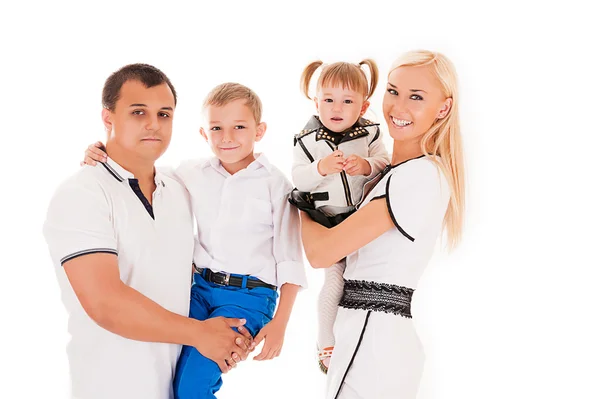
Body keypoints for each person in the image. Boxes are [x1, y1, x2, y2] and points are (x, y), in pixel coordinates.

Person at [81, 82, 308, 399]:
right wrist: (103, 154)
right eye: (216, 128)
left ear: (260, 130)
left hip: (248, 298)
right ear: (204, 134)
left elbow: (290, 258)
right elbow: (142, 173)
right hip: (198, 291)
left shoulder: (275, 184)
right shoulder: (192, 173)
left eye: (239, 127)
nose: (226, 137)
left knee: (193, 385)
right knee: (162, 368)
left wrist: (281, 324)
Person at [43, 64, 253, 399]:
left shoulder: (181, 187)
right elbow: (105, 302)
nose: (154, 124)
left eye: (164, 114)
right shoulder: (82, 193)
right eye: (138, 112)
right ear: (108, 118)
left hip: (174, 386)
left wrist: (229, 336)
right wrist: (201, 334)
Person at [297, 50, 465, 399]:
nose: (398, 106)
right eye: (393, 91)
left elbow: (321, 252)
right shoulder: (392, 174)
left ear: (443, 109)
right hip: (369, 335)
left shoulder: (418, 175)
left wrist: (301, 198)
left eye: (416, 97)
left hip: (374, 339)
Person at [290, 59, 390, 373]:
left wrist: (366, 165)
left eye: (348, 101)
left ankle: (364, 340)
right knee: (333, 280)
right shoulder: (307, 141)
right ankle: (325, 341)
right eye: (329, 100)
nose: (337, 107)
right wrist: (320, 169)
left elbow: (384, 161)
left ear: (363, 106)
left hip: (361, 216)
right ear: (316, 102)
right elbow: (299, 179)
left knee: (361, 279)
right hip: (328, 218)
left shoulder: (370, 134)